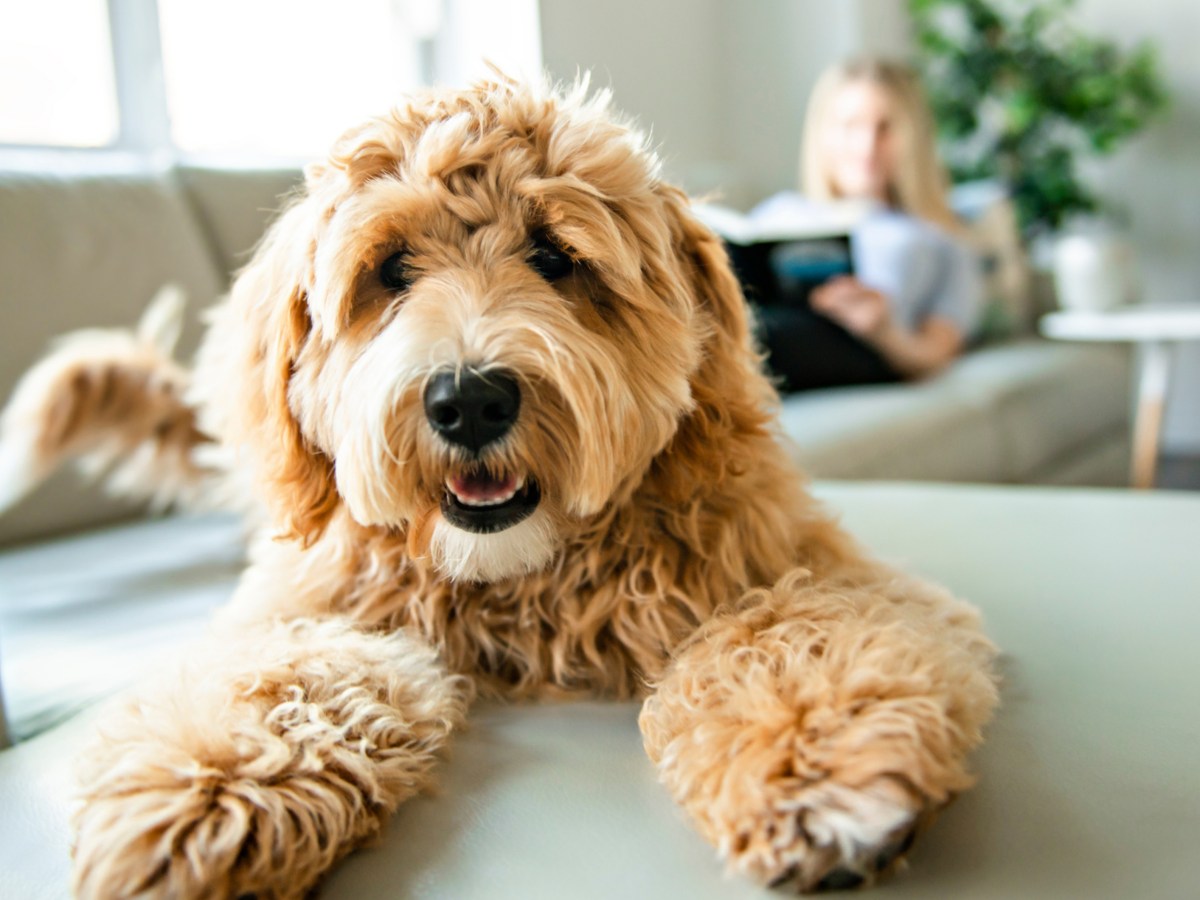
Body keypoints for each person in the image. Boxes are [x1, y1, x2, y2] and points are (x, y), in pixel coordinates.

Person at [750, 57, 983, 392]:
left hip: (860, 347)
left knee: (754, 336)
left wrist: (884, 330)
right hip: (757, 326)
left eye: (885, 127)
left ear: (912, 137)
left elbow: (936, 352)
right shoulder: (778, 212)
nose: (867, 146)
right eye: (851, 125)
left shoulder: (939, 238)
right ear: (823, 133)